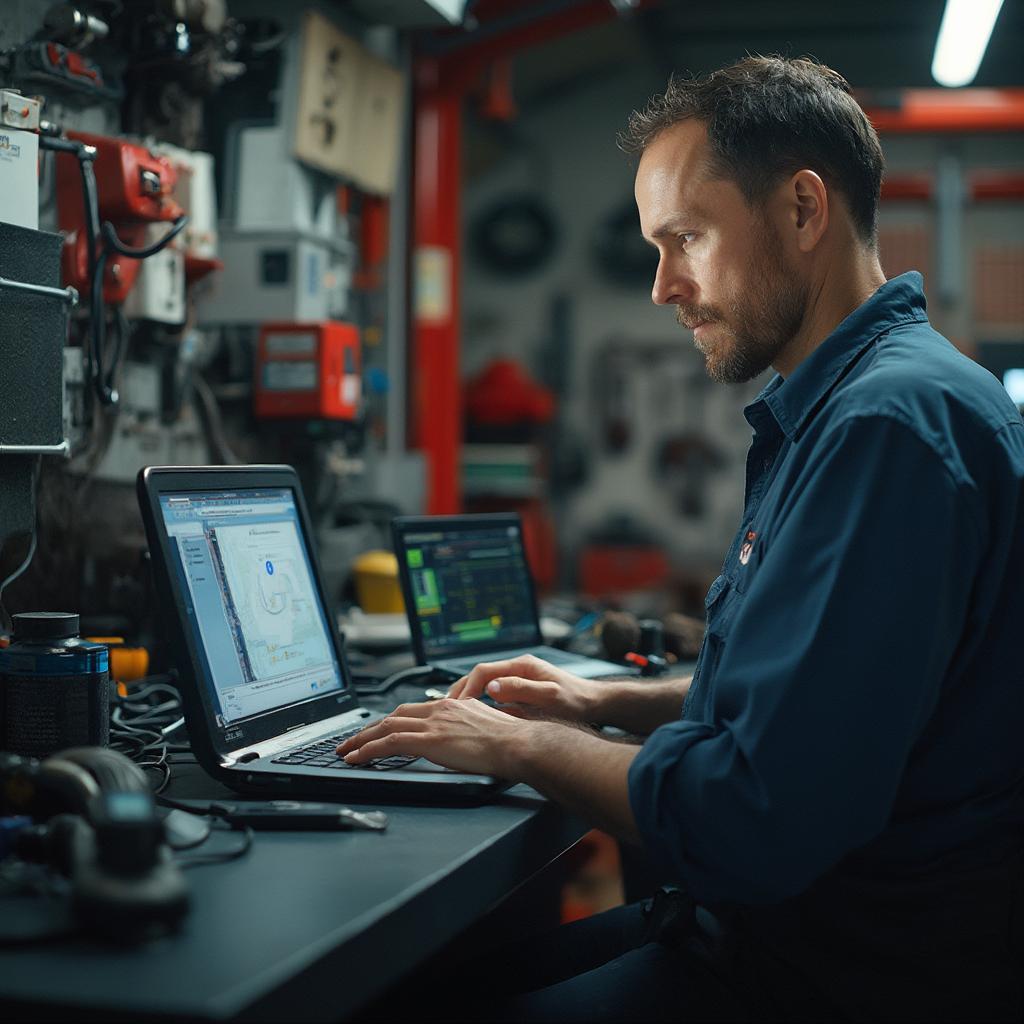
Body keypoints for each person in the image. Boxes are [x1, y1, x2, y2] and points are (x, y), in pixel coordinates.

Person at [340, 56, 1024, 1021]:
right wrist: (605, 700)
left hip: (833, 977)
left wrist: (522, 745)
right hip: (780, 938)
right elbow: (801, 703)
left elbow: (754, 811)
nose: (663, 286)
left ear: (801, 210)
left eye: (686, 238)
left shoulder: (889, 430)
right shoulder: (854, 408)